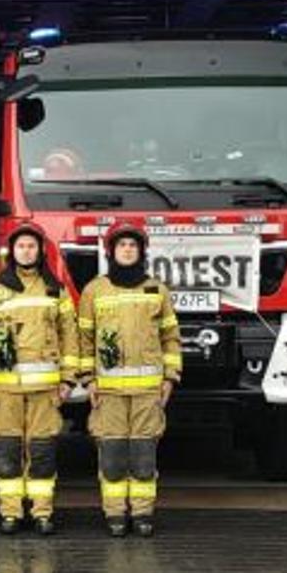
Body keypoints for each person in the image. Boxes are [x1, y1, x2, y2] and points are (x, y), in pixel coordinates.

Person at [0, 222, 79, 535]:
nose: (26, 251)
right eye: (20, 246)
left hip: (46, 390)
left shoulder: (55, 290)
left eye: (31, 246)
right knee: (6, 453)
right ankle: (11, 513)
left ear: (40, 250)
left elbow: (69, 336)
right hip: (4, 391)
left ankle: (42, 513)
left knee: (42, 453)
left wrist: (68, 380)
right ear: (11, 251)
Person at [76, 222, 182, 537]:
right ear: (111, 252)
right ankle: (115, 515)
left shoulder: (157, 290)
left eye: (133, 246)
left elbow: (171, 337)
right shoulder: (94, 290)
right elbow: (84, 339)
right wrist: (88, 379)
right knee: (111, 456)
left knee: (143, 456)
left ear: (141, 252)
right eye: (121, 245)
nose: (127, 250)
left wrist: (170, 378)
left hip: (148, 392)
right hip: (107, 393)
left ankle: (143, 515)